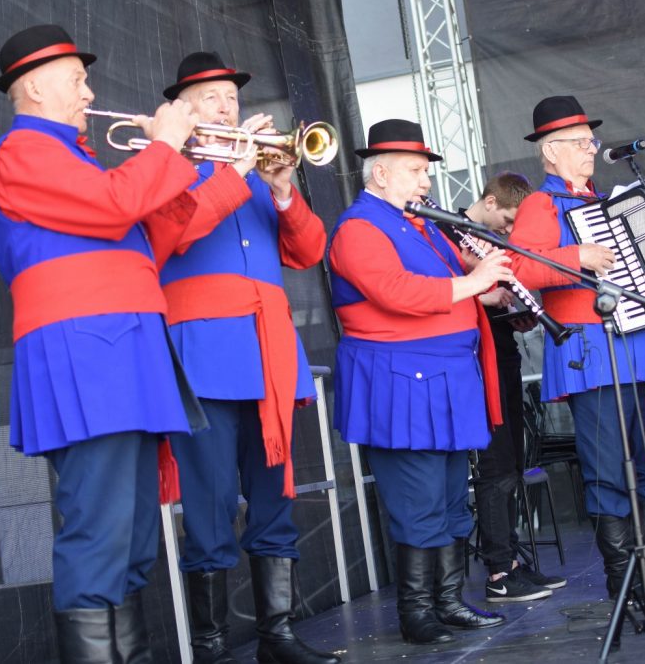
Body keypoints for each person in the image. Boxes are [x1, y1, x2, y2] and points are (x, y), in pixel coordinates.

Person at [0, 24, 204, 663]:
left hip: (121, 351)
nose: (90, 91)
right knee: (100, 534)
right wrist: (162, 147)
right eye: (78, 80)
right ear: (35, 87)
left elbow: (144, 242)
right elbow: (113, 207)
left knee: (131, 540)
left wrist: (181, 164)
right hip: (88, 355)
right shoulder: (23, 149)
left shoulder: (74, 156)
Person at [158, 51, 339, 664]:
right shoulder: (168, 169)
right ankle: (209, 648)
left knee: (273, 499)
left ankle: (276, 638)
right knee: (208, 506)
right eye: (212, 99)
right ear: (183, 111)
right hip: (205, 358)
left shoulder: (262, 177)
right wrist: (234, 173)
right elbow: (172, 235)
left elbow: (310, 249)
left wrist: (284, 188)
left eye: (232, 98)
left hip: (269, 359)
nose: (228, 107)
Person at [328, 119, 511, 644]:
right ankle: (417, 612)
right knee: (418, 501)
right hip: (401, 380)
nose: (426, 182)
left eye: (425, 172)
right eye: (415, 171)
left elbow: (464, 287)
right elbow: (395, 292)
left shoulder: (424, 227)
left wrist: (496, 290)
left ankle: (449, 601)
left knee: (453, 496)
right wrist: (474, 282)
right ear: (380, 173)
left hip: (446, 378)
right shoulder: (359, 227)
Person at [506, 95, 645, 597]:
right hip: (592, 355)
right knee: (608, 467)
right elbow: (520, 269)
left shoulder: (608, 203)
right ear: (550, 153)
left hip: (640, 348)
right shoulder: (542, 204)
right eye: (581, 143)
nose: (592, 150)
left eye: (592, 141)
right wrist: (576, 254)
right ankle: (622, 571)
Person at [435, 173, 565, 602]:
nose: (509, 230)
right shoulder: (443, 229)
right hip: (473, 360)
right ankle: (498, 572)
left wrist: (518, 313)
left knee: (510, 462)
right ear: (489, 202)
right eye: (507, 219)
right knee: (495, 465)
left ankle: (508, 560)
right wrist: (480, 297)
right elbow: (440, 296)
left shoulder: (484, 236)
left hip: (501, 349)